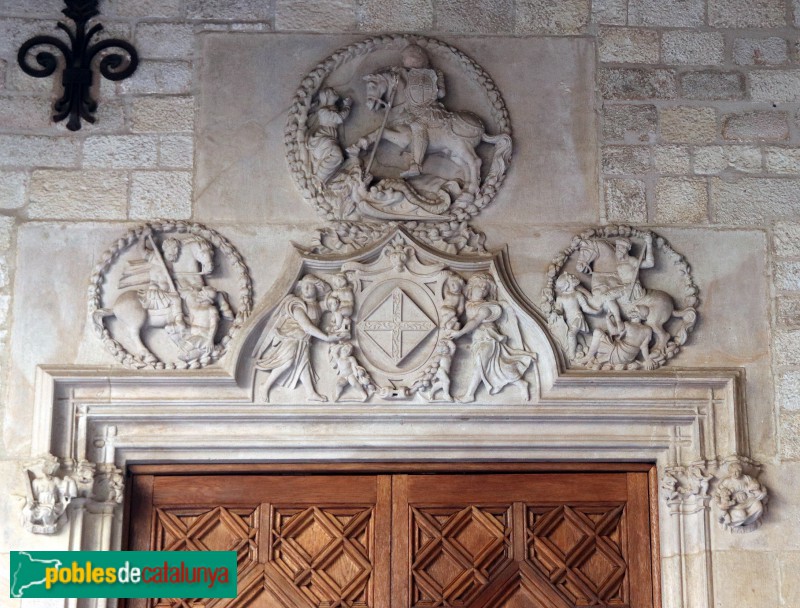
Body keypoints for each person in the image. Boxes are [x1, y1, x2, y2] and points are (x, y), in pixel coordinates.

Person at [449, 273, 535, 402]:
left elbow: (475, 322)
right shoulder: (468, 304)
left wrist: (459, 333)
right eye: (480, 286)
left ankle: (469, 394)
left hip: (488, 339)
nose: (483, 289)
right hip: (477, 340)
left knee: (480, 364)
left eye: (486, 288)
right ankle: (521, 383)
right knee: (498, 367)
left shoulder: (486, 308)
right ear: (471, 287)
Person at [256, 275, 339, 402]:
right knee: (288, 362)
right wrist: (327, 337)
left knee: (303, 365)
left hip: (304, 341)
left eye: (309, 286)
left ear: (316, 289)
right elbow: (307, 327)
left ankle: (311, 393)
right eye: (303, 286)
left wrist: (338, 302)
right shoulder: (296, 305)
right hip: (292, 338)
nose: (305, 288)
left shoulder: (318, 306)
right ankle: (265, 386)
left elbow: (333, 301)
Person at [395, 43, 449, 178]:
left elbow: (442, 94)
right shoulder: (406, 73)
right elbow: (405, 93)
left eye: (405, 57)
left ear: (415, 57)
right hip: (412, 110)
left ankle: (416, 165)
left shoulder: (435, 74)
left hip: (430, 110)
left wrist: (433, 90)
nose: (403, 60)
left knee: (417, 126)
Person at [582, 305, 656, 370]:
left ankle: (589, 356)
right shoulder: (648, 329)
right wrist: (647, 359)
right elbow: (644, 347)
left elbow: (613, 331)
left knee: (597, 332)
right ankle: (599, 361)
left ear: (638, 314)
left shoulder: (628, 324)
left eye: (635, 309)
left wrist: (608, 319)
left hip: (618, 352)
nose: (632, 310)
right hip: (629, 358)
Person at [553, 272, 600, 360]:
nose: (573, 276)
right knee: (577, 334)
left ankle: (572, 355)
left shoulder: (577, 294)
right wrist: (556, 312)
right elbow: (559, 310)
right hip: (569, 320)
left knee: (571, 334)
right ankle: (585, 347)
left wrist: (596, 312)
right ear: (566, 283)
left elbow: (585, 308)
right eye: (570, 277)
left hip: (578, 317)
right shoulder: (560, 298)